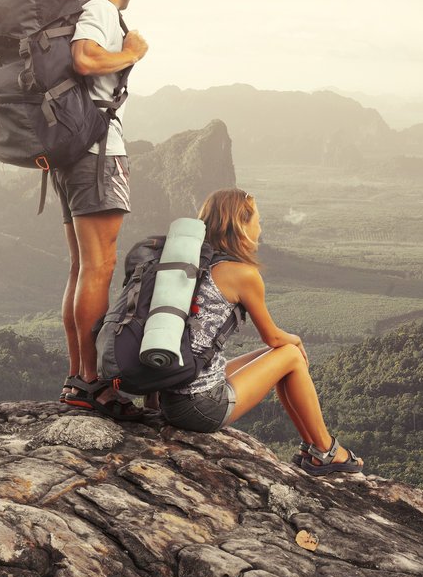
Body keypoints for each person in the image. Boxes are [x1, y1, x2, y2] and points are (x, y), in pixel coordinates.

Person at [147, 188, 364, 473]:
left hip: (170, 397)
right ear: (241, 225)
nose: (260, 229)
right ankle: (324, 448)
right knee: (289, 353)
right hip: (200, 408)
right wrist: (296, 340)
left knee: (280, 357)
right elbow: (273, 336)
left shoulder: (190, 264)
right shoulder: (243, 274)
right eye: (257, 221)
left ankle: (314, 448)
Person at [59, 0, 151, 419]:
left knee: (82, 267)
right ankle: (90, 382)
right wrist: (132, 51)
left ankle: (80, 377)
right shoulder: (99, 11)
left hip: (75, 153)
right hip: (97, 153)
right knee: (98, 267)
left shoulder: (81, 7)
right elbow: (86, 58)